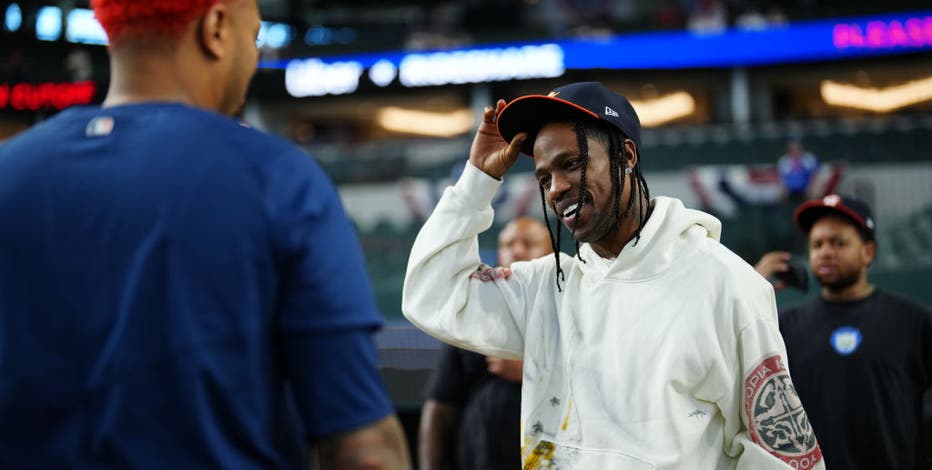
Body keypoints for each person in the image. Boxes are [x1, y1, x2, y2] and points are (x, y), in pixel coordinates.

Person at [0, 1, 410, 469]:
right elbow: (364, 451)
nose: (254, 57)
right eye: (253, 37)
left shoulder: (8, 176)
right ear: (215, 29)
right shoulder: (278, 180)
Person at [402, 81, 824, 469]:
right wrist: (478, 179)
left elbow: (784, 456)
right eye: (544, 177)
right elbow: (432, 293)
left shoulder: (725, 284)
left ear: (626, 156)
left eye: (572, 164)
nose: (556, 188)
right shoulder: (547, 290)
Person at [758, 194, 932, 470]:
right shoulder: (783, 326)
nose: (826, 251)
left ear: (868, 252)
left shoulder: (914, 321)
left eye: (839, 242)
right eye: (817, 244)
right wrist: (751, 290)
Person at [419, 217, 552, 470]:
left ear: (553, 252)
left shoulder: (570, 308)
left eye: (529, 243)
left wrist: (531, 372)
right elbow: (439, 408)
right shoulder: (475, 313)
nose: (518, 250)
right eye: (508, 243)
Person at [777, 136, 819, 200]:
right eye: (792, 149)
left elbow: (814, 175)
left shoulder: (809, 157)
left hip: (806, 184)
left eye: (797, 148)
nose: (795, 151)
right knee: (779, 193)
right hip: (790, 187)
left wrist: (810, 186)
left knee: (815, 191)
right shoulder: (783, 160)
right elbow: (782, 178)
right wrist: (785, 188)